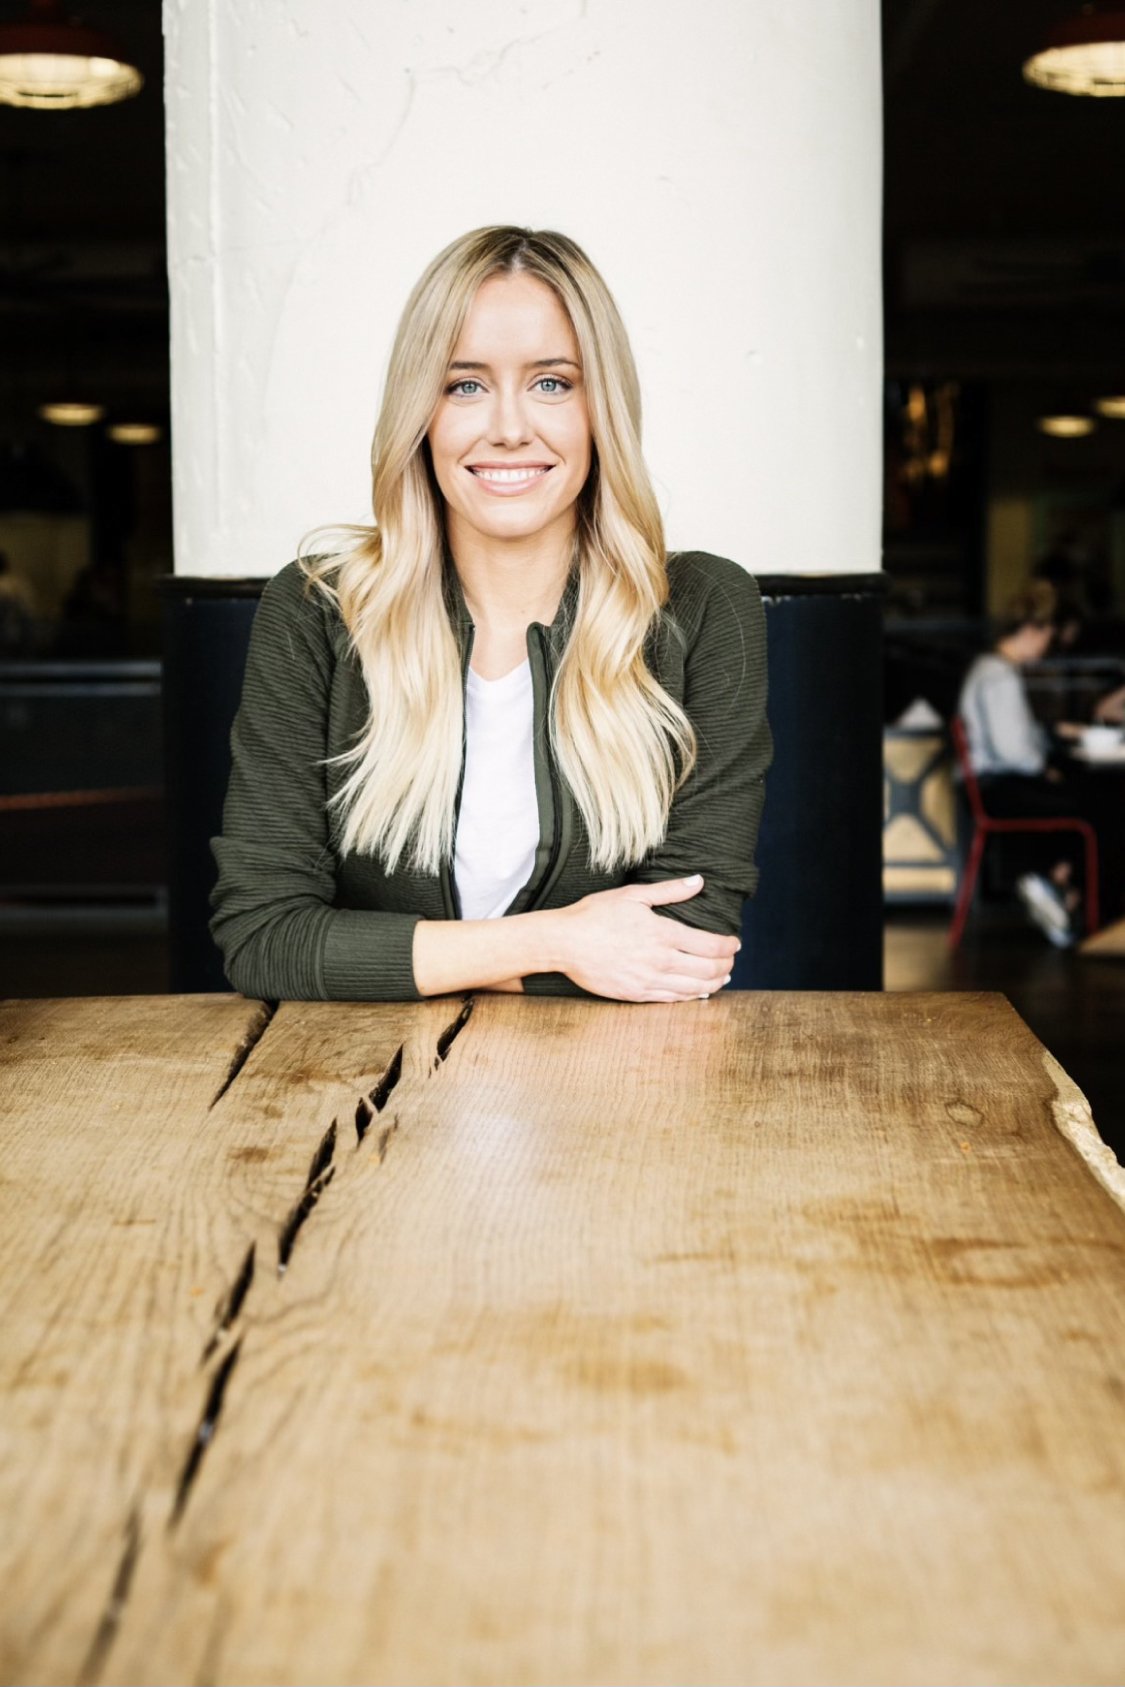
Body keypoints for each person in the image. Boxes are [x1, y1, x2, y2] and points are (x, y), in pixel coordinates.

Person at [211, 227, 771, 1003]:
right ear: (422, 412)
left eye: (552, 383)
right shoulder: (320, 610)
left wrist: (383, 958)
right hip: (362, 1095)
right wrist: (561, 943)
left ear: (600, 408)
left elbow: (685, 941)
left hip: (617, 1094)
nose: (508, 427)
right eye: (464, 384)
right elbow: (264, 938)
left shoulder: (702, 612)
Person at [957, 581, 1110, 945]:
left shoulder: (990, 670)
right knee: (1096, 805)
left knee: (1082, 793)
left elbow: (1016, 739)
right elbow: (1014, 752)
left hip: (986, 782)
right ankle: (1080, 904)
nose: (1047, 645)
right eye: (1047, 636)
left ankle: (1056, 883)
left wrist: (1050, 738)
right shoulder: (999, 676)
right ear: (1030, 629)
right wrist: (1045, 767)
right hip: (994, 785)